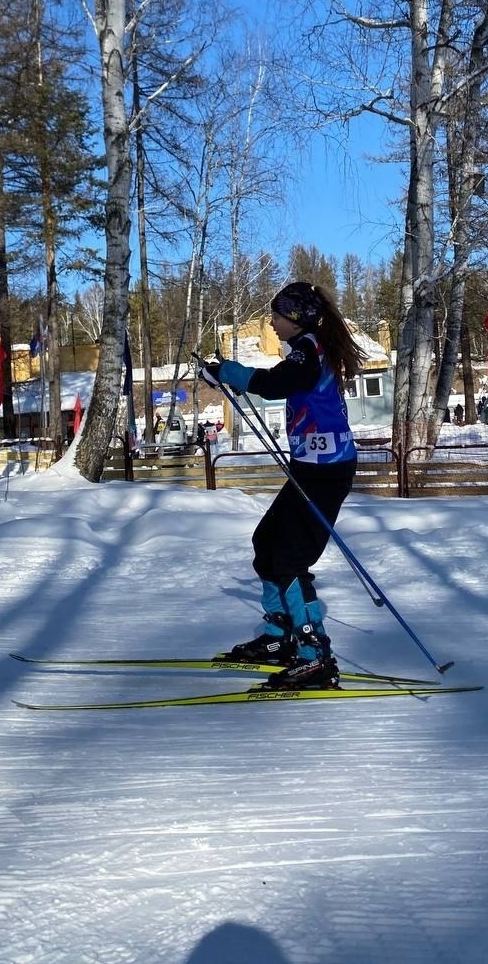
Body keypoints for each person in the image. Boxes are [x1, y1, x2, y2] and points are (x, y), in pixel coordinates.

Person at [200, 282, 366, 690]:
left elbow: (277, 384)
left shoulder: (308, 349)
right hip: (311, 467)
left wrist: (228, 372)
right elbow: (283, 383)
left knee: (291, 558)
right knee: (268, 542)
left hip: (327, 471)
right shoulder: (306, 348)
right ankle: (280, 635)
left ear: (296, 317)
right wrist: (230, 376)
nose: (272, 323)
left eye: (277, 315)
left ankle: (315, 654)